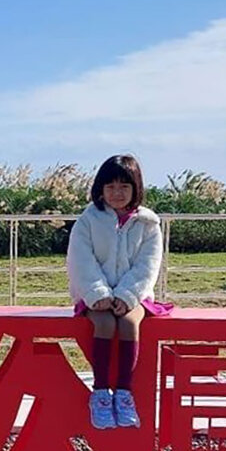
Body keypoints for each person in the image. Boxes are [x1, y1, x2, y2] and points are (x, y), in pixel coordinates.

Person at [66, 154, 167, 430]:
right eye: (110, 187)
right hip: (95, 295)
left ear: (136, 188)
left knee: (128, 322)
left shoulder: (148, 224)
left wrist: (126, 296)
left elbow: (148, 265)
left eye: (124, 186)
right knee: (104, 322)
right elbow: (81, 259)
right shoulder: (88, 220)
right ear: (100, 189)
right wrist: (98, 294)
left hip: (133, 295)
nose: (117, 193)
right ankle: (100, 392)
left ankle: (124, 392)